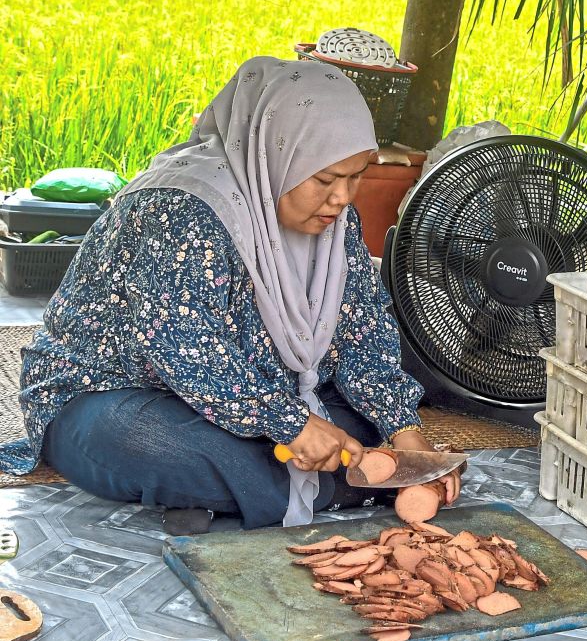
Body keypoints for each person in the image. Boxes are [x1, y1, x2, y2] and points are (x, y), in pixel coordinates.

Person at [0, 56, 461, 534]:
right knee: (155, 445)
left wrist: (408, 438)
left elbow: (362, 333)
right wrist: (294, 426)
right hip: (113, 394)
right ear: (273, 156)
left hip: (251, 395)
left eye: (356, 175)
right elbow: (184, 348)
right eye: (325, 179)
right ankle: (347, 482)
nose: (343, 197)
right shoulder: (181, 208)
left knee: (357, 428)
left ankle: (262, 490)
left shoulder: (335, 223)